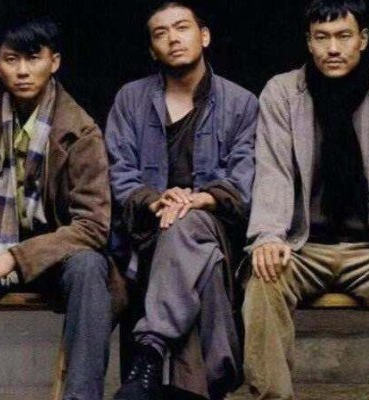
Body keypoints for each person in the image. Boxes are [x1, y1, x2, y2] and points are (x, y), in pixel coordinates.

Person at [242, 0, 369, 399]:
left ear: (362, 40)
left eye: (343, 36)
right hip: (305, 246)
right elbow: (274, 172)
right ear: (308, 42)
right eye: (322, 37)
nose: (333, 48)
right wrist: (268, 235)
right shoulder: (283, 92)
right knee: (262, 277)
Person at [105, 2, 258, 399]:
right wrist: (156, 202)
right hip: (147, 233)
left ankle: (149, 352)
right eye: (161, 33)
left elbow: (245, 182)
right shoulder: (131, 99)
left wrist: (200, 199)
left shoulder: (242, 103)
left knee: (187, 228)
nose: (173, 39)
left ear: (204, 36)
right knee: (197, 257)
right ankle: (210, 383)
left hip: (216, 228)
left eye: (182, 28)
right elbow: (118, 171)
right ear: (152, 49)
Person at [0, 17, 113, 400]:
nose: (22, 71)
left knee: (90, 268)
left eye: (33, 58)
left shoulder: (81, 131)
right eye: (12, 59)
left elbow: (93, 226)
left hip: (48, 263)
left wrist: (16, 258)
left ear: (54, 62)